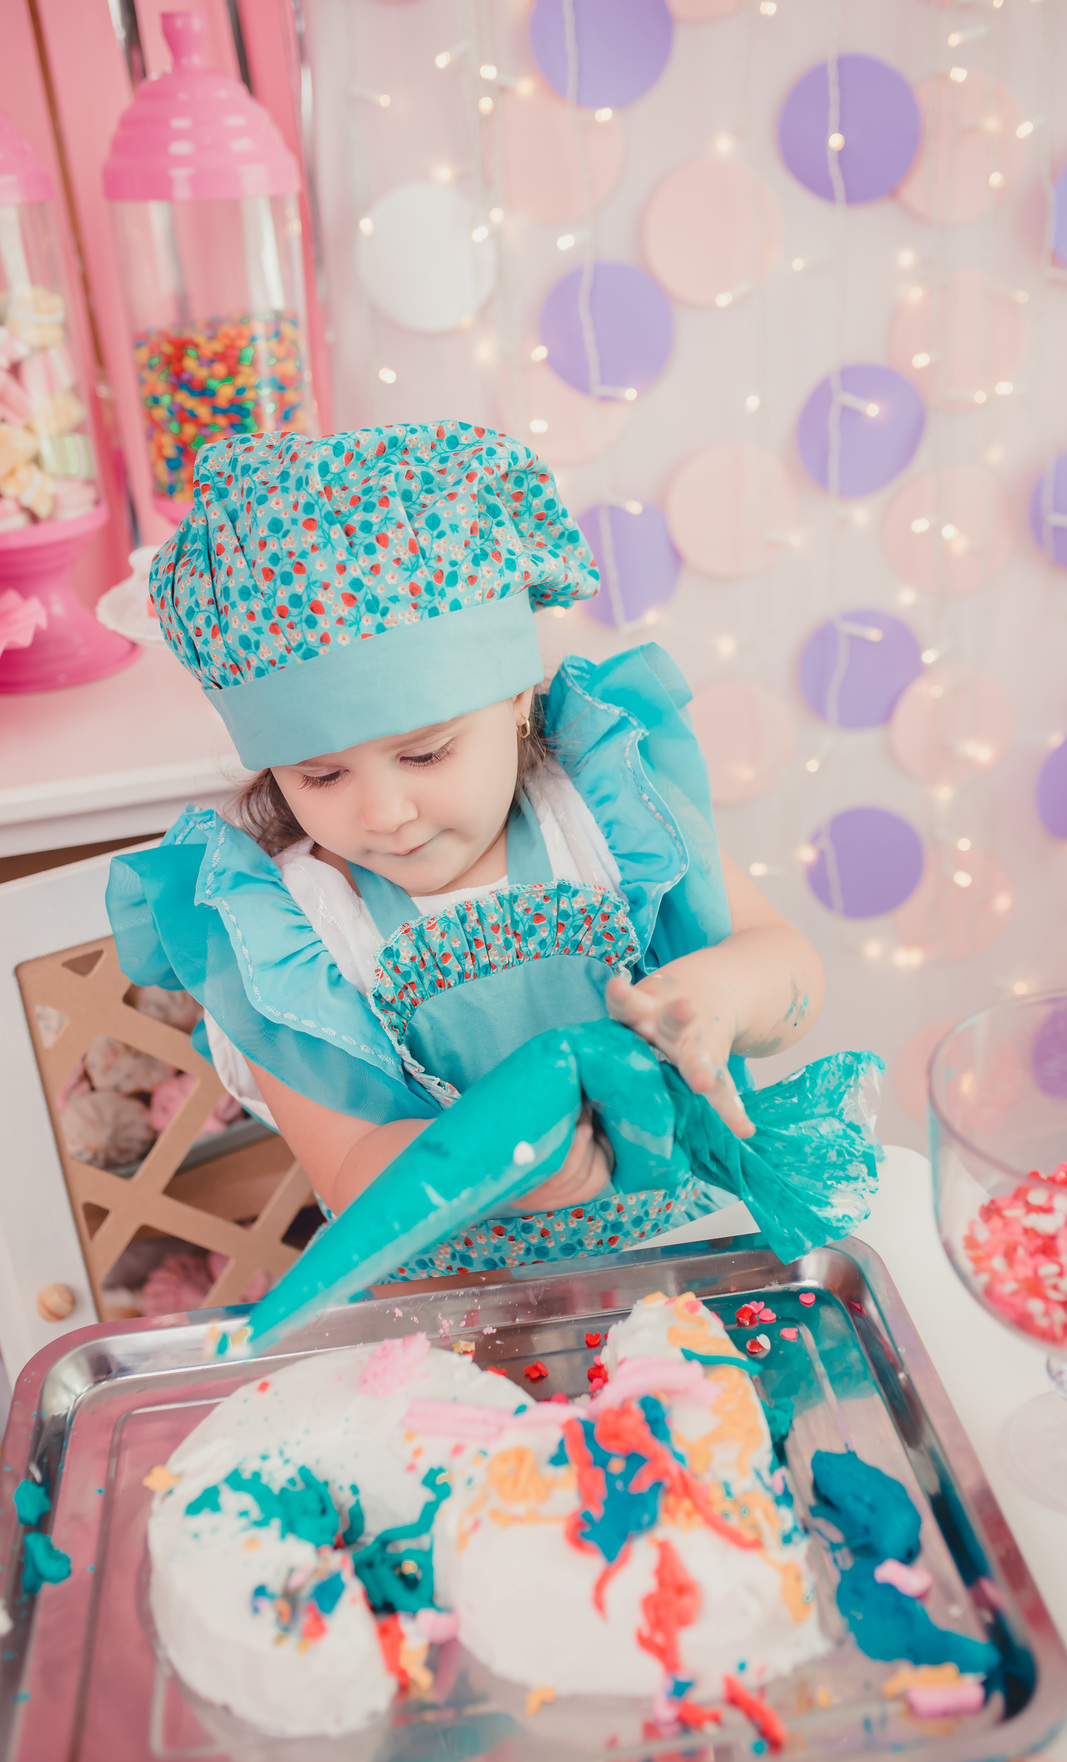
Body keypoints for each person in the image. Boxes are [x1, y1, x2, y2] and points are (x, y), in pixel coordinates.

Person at [108, 420, 833, 1280]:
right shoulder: (291, 936)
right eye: (321, 776)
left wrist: (720, 994)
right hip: (457, 1308)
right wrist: (500, 1164)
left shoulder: (609, 821)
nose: (385, 812)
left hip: (704, 1254)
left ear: (518, 699)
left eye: (425, 755)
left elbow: (794, 977)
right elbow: (348, 1170)